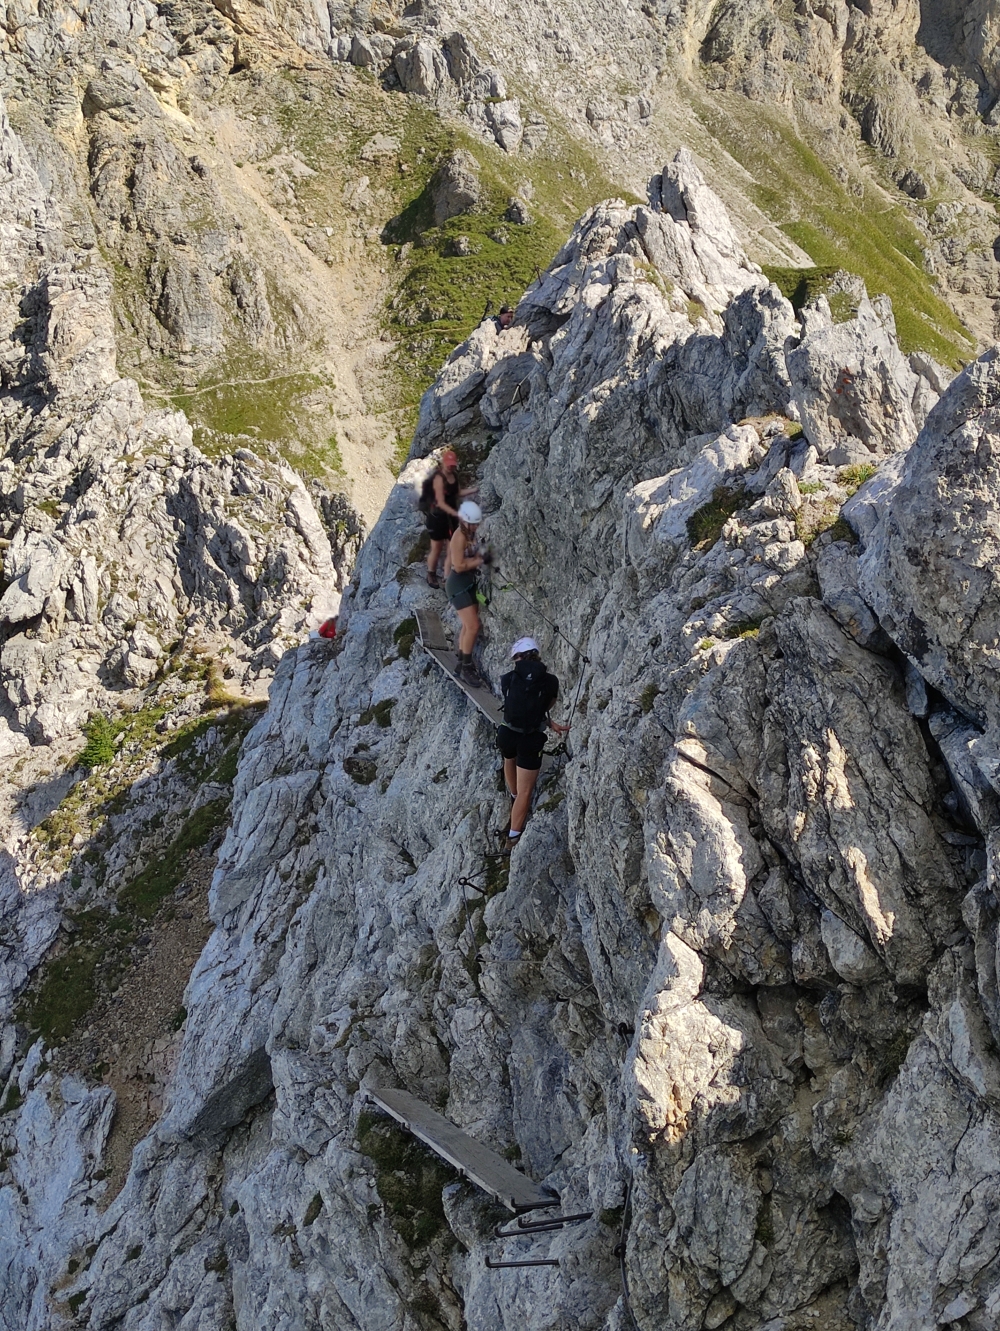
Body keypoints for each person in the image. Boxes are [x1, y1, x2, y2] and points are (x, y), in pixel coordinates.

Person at [497, 637, 569, 854]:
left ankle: (513, 795)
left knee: (509, 758)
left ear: (518, 658)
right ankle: (513, 837)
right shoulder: (551, 682)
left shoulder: (508, 679)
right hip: (530, 739)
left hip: (507, 733)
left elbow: (513, 706)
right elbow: (542, 707)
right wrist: (549, 722)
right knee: (527, 790)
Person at [446, 501, 489, 686]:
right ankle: (466, 666)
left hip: (467, 583)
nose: (475, 527)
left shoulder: (469, 533)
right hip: (458, 584)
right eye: (473, 523)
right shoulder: (459, 537)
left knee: (467, 626)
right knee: (472, 626)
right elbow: (459, 565)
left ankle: (462, 663)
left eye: (476, 523)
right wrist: (479, 560)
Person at [421, 449, 462, 588]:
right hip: (437, 518)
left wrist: (473, 491)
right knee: (437, 548)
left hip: (450, 519)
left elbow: (456, 493)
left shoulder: (454, 477)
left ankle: (446, 578)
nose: (451, 466)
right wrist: (456, 513)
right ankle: (431, 573)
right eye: (448, 464)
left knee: (452, 547)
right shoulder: (438, 479)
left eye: (452, 464)